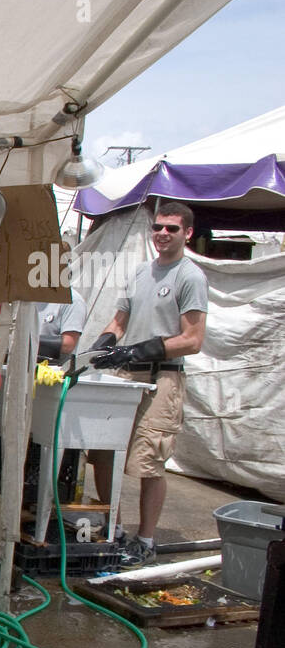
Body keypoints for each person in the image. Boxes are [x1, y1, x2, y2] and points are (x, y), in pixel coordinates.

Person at [88, 200, 208, 564]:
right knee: (104, 454)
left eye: (172, 228)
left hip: (162, 379)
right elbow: (119, 321)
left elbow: (193, 339)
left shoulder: (190, 276)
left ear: (187, 233)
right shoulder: (141, 272)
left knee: (148, 462)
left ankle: (146, 539)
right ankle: (115, 529)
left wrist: (146, 349)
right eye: (158, 227)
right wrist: (106, 341)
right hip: (126, 376)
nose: (163, 234)